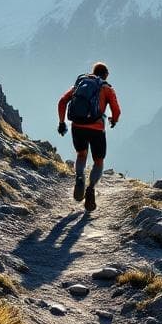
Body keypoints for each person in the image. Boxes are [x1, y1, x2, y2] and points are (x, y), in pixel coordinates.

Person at [56, 62, 120, 212]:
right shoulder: (107, 88)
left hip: (77, 126)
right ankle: (90, 188)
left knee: (81, 154)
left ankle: (79, 177)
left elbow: (62, 101)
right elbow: (116, 110)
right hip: (97, 129)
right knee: (98, 161)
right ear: (105, 75)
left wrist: (61, 122)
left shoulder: (79, 84)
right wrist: (114, 120)